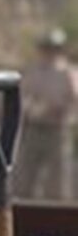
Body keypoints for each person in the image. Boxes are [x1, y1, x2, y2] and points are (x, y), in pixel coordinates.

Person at [16, 28, 78, 200]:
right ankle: (26, 212)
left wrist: (61, 109)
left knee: (58, 177)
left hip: (58, 130)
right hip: (35, 127)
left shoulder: (68, 73)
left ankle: (57, 217)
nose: (50, 52)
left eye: (54, 48)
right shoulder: (34, 71)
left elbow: (74, 100)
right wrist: (35, 109)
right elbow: (23, 97)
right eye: (47, 47)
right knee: (27, 175)